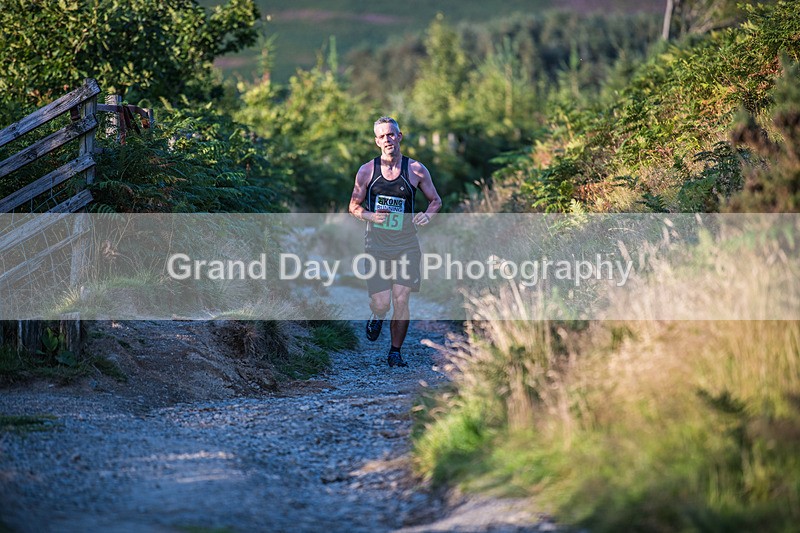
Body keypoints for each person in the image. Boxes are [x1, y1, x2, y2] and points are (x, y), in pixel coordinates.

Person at [348, 116, 442, 367]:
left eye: (391, 134)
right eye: (382, 136)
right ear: (376, 141)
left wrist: (426, 216)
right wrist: (370, 216)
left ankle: (395, 352)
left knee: (401, 300)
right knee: (382, 303)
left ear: (399, 136)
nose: (387, 139)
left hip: (406, 245)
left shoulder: (416, 170)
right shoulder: (367, 171)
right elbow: (354, 207)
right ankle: (377, 315)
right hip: (376, 245)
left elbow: (436, 201)